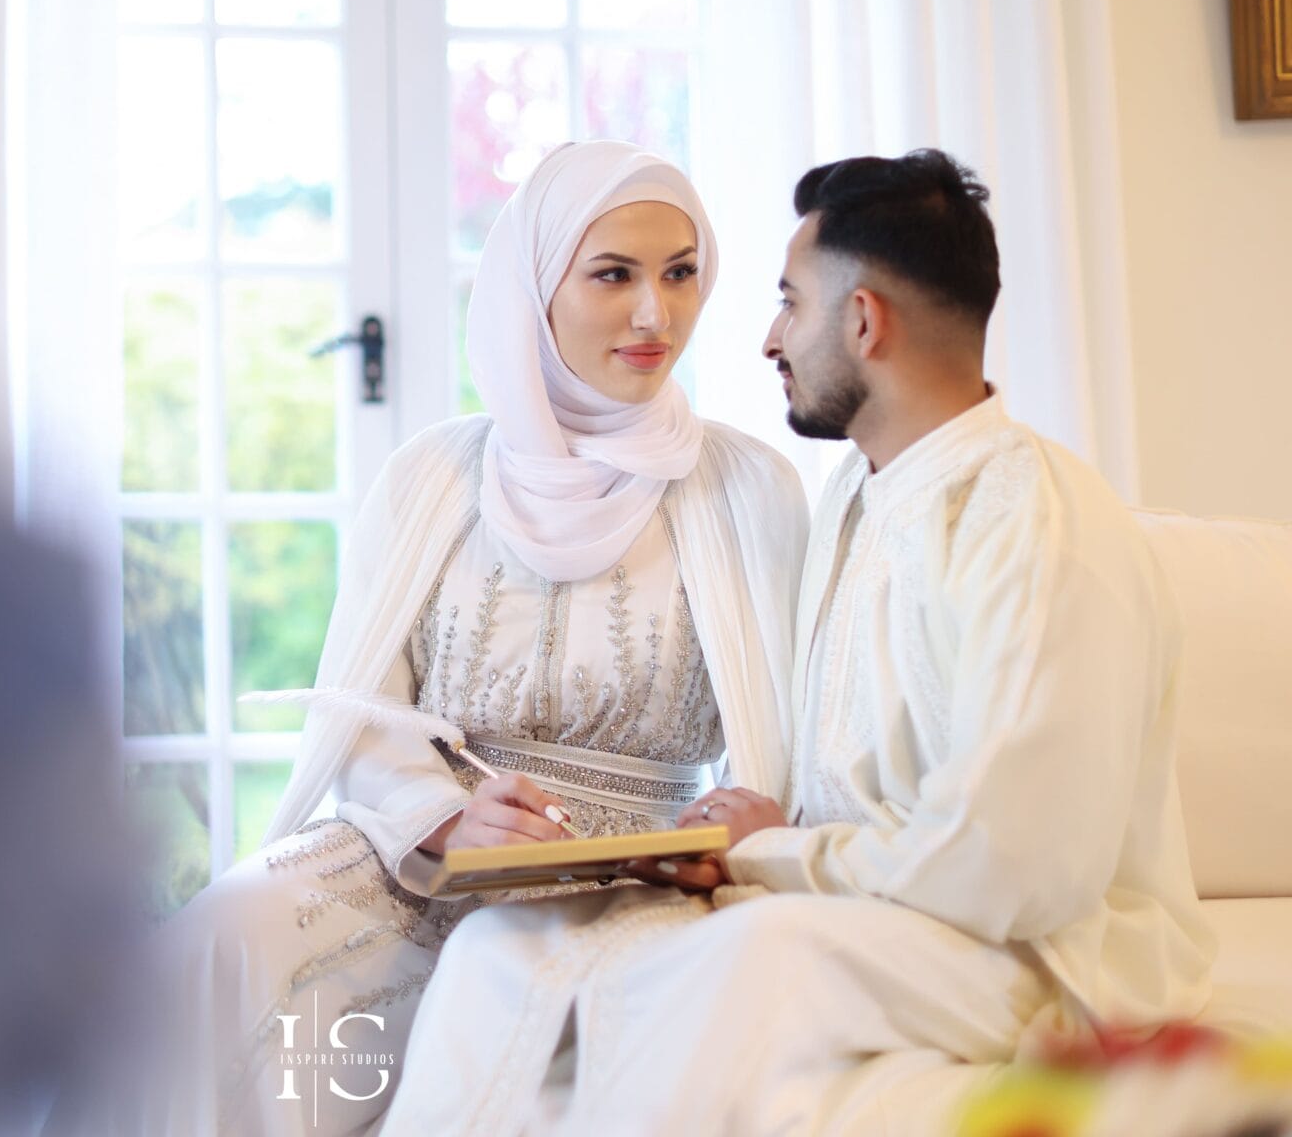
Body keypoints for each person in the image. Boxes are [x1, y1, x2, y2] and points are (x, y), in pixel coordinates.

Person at [380, 149, 1216, 1136]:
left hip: (1032, 954)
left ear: (863, 321)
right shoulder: (855, 497)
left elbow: (1012, 868)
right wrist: (724, 848)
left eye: (789, 303)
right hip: (869, 915)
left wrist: (770, 853)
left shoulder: (1038, 522)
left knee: (750, 959)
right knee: (501, 949)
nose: (770, 337)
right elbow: (829, 797)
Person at [48, 141, 809, 1136]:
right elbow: (364, 705)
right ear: (533, 287)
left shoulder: (749, 488)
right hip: (425, 856)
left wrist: (740, 825)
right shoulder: (434, 475)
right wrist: (447, 816)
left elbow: (796, 728)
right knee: (214, 946)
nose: (654, 314)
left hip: (647, 881)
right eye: (613, 274)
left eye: (680, 273)